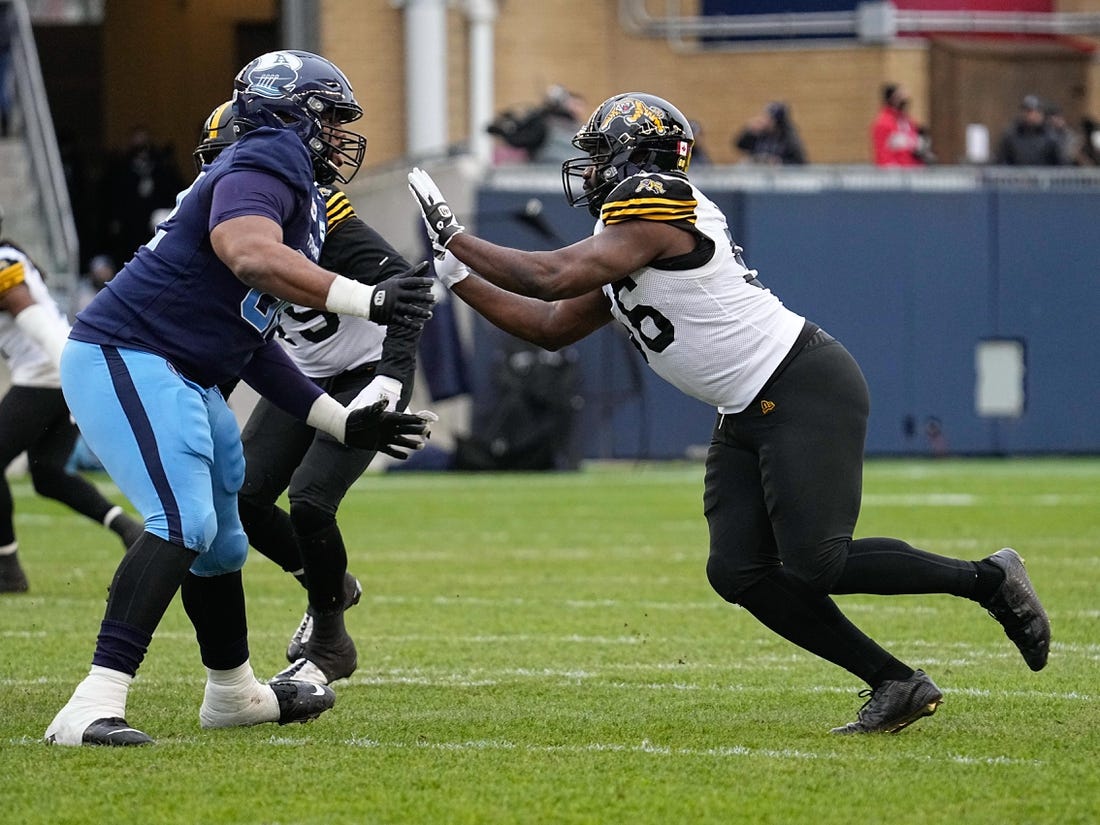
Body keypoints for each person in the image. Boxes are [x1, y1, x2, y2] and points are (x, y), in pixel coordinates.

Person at [407, 91, 1051, 734]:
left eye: (602, 155)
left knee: (819, 561)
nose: (592, 170)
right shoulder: (623, 237)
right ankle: (895, 682)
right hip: (745, 406)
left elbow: (551, 278)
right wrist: (459, 278)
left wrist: (458, 237)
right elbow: (548, 324)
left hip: (800, 385)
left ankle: (989, 580)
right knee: (738, 569)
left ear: (641, 157)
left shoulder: (661, 207)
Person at [43, 50, 437, 747]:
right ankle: (90, 702)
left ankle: (232, 692)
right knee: (184, 521)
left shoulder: (303, 195)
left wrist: (343, 420)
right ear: (285, 110)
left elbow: (256, 342)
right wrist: (367, 298)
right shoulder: (268, 155)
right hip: (127, 353)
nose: (338, 132)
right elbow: (247, 252)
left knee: (223, 542)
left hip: (185, 370)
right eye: (328, 115)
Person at [192, 100, 426, 686]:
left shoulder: (322, 210)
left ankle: (329, 642)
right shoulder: (213, 224)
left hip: (363, 368)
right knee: (242, 499)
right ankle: (330, 586)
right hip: (298, 370)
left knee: (311, 498)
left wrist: (392, 376)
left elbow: (408, 287)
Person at [0, 211, 143, 593]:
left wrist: (79, 387)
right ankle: (127, 527)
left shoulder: (3, 266)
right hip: (57, 374)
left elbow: (40, 326)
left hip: (50, 375)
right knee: (47, 473)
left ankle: (7, 567)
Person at [870, 83, 930, 166]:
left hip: (914, 171)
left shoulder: (908, 121)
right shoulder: (883, 123)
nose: (904, 99)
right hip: (896, 173)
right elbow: (882, 152)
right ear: (892, 98)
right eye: (900, 96)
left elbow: (917, 145)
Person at [995, 95, 1063, 166]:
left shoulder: (1051, 137)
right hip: (1016, 175)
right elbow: (1001, 161)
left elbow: (1060, 165)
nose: (1031, 115)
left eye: (1035, 111)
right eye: (1027, 111)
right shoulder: (1010, 136)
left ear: (1042, 114)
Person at [733, 101, 807, 165]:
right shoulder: (760, 134)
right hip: (759, 175)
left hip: (781, 177)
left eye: (769, 118)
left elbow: (800, 163)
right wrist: (749, 131)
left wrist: (780, 162)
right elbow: (740, 145)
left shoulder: (788, 139)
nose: (765, 120)